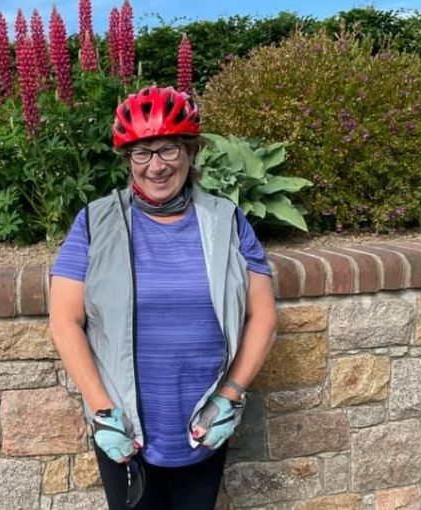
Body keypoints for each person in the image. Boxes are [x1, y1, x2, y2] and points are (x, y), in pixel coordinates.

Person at [48, 85, 278, 510]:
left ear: (190, 152)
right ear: (128, 160)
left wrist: (229, 395)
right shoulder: (94, 222)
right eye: (142, 153)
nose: (156, 166)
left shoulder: (228, 220)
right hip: (124, 429)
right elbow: (65, 321)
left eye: (169, 150)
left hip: (204, 425)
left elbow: (262, 316)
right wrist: (103, 412)